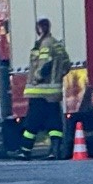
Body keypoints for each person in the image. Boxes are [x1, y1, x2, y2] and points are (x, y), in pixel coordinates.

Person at [24, 17, 69, 157]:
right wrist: (57, 77)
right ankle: (55, 150)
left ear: (41, 28)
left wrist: (38, 77)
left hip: (40, 91)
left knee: (32, 121)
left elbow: (45, 63)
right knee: (54, 121)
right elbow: (67, 64)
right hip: (54, 92)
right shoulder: (57, 44)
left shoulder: (45, 44)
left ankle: (24, 151)